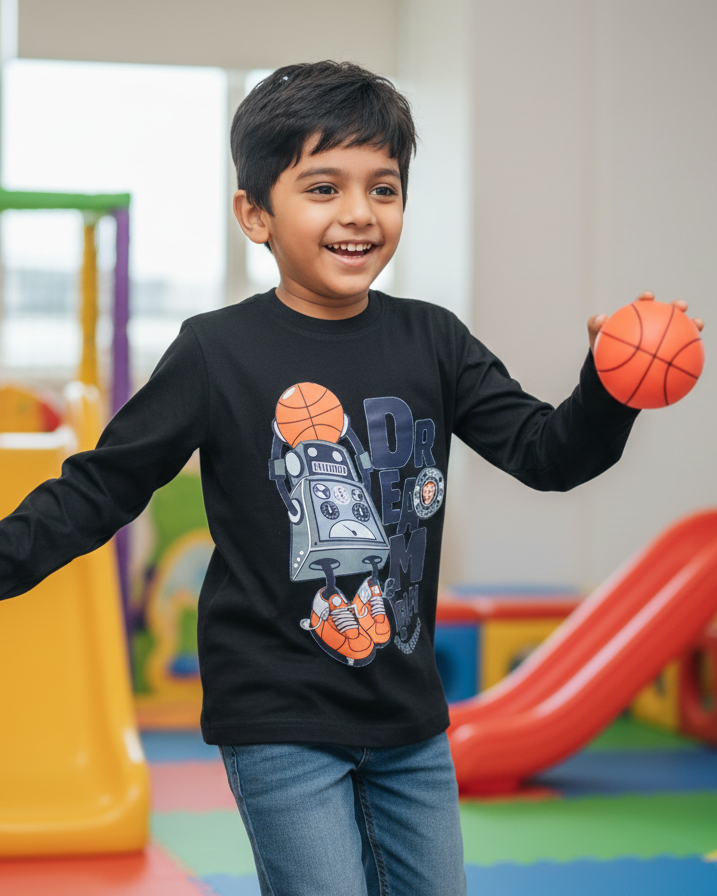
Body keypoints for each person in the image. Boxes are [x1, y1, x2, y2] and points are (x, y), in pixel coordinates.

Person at [0, 61, 703, 895]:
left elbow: (546, 455)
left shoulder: (433, 341)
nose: (359, 214)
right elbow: (101, 486)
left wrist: (608, 389)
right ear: (254, 214)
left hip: (407, 719)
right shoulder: (214, 352)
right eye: (323, 187)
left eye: (384, 187)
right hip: (278, 718)